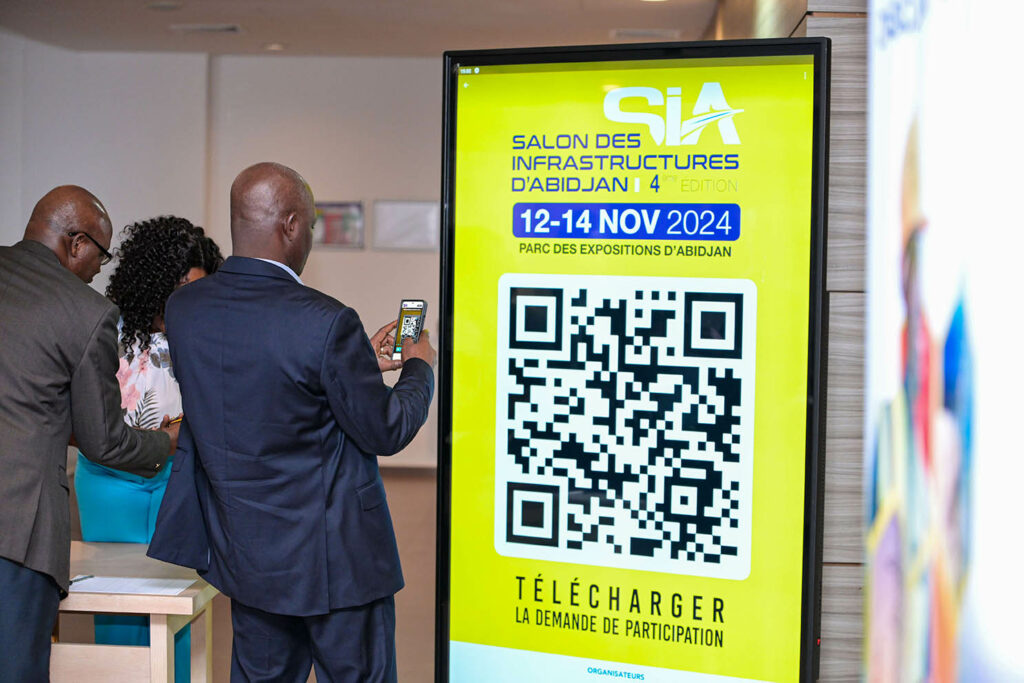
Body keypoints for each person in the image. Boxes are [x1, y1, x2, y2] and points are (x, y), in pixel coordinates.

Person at [148, 162, 436, 682]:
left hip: (248, 558)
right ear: (291, 225)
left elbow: (259, 388)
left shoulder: (186, 308)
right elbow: (386, 428)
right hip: (337, 566)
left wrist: (353, 368)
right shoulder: (326, 320)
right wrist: (419, 366)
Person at [0, 186, 178, 682]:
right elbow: (106, 442)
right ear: (76, 242)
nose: (100, 269)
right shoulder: (86, 312)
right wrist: (172, 441)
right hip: (17, 532)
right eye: (100, 254)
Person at [74, 216, 224, 682]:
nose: (188, 302)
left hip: (178, 480)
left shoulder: (205, 332)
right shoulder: (105, 327)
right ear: (152, 281)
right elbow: (82, 416)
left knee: (177, 608)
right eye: (179, 289)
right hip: (110, 484)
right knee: (118, 607)